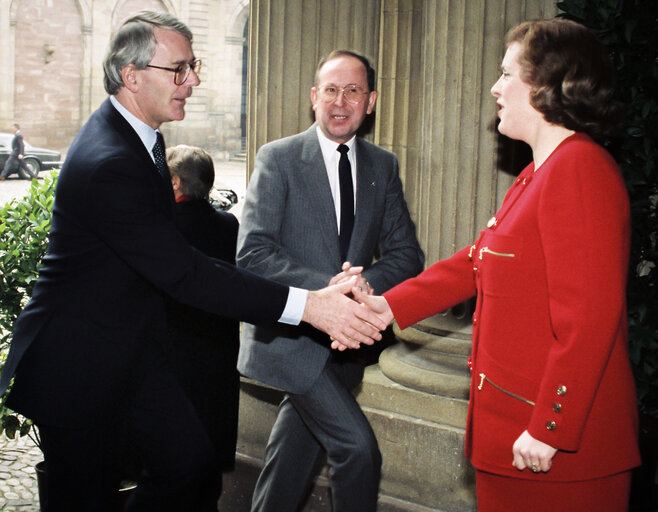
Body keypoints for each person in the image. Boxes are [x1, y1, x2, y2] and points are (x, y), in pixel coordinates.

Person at [0, 13, 386, 512]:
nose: (195, 81)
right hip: (77, 367)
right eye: (179, 69)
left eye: (193, 66)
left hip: (131, 352)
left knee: (193, 470)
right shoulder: (110, 161)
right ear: (132, 76)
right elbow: (185, 271)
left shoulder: (141, 136)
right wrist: (309, 306)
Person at [353, 19, 641, 512]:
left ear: (549, 85)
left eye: (508, 74)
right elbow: (477, 261)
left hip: (556, 453)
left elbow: (589, 318)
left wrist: (551, 427)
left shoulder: (580, 170)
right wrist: (386, 307)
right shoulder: (539, 173)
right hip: (514, 436)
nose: (494, 87)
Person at [236, 50, 424, 512]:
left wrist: (364, 287)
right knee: (357, 450)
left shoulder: (382, 166)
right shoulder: (278, 158)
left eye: (354, 91)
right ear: (314, 98)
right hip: (289, 341)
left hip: (346, 350)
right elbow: (252, 252)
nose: (341, 102)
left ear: (371, 101)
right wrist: (333, 290)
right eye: (332, 90)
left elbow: (407, 256)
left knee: (291, 463)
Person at [165, 144, 240, 507]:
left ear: (176, 182)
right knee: (210, 444)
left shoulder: (163, 227)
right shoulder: (228, 225)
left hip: (173, 350)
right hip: (218, 349)